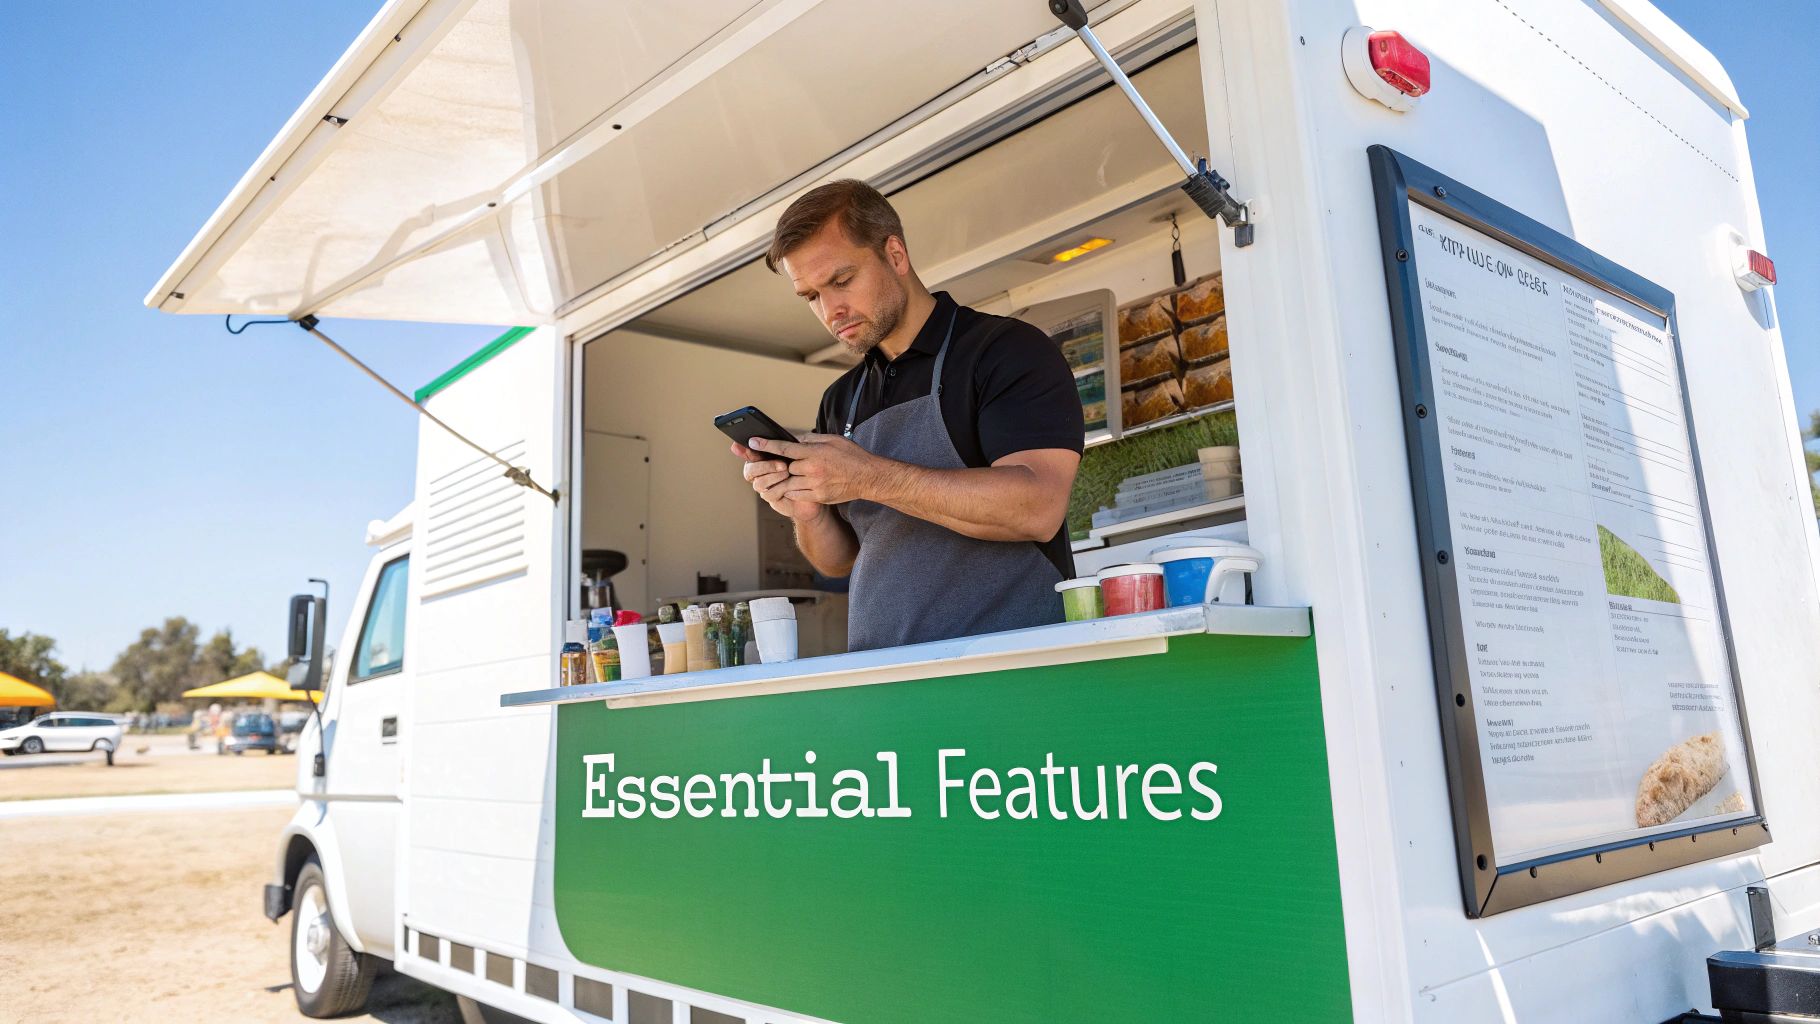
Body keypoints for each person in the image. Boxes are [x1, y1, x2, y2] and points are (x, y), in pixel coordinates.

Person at [733, 179, 1083, 651]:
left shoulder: (1004, 351)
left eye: (841, 281)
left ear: (895, 254)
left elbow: (1038, 508)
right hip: (887, 672)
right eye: (811, 296)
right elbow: (840, 561)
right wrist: (807, 514)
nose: (831, 310)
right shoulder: (841, 399)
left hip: (1010, 666)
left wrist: (868, 477)